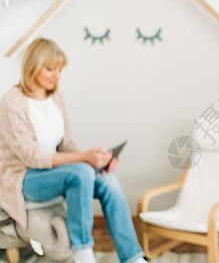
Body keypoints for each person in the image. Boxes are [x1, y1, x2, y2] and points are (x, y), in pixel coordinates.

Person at [0, 38, 148, 263]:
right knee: (80, 173)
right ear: (32, 65)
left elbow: (66, 144)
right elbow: (32, 157)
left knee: (109, 183)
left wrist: (96, 161)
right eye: (50, 68)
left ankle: (133, 258)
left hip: (56, 176)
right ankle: (83, 252)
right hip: (23, 178)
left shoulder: (55, 99)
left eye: (59, 70)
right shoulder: (12, 102)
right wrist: (84, 160)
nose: (56, 75)